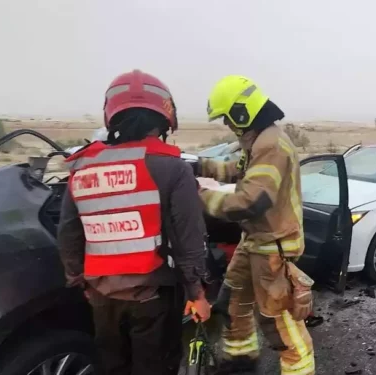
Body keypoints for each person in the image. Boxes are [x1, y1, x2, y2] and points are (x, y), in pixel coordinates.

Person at [58, 70, 211, 375]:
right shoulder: (172, 169)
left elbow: (69, 233)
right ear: (165, 119)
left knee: (113, 367)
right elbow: (188, 241)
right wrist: (198, 294)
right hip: (153, 298)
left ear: (111, 116)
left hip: (102, 298)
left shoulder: (83, 167)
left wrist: (79, 280)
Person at [197, 75, 315, 374]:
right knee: (232, 304)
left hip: (273, 249)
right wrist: (195, 167)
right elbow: (235, 171)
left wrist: (198, 197)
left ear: (241, 111)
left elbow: (251, 201)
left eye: (227, 118)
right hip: (255, 243)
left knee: (284, 331)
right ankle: (240, 365)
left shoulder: (271, 145)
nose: (227, 125)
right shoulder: (259, 141)